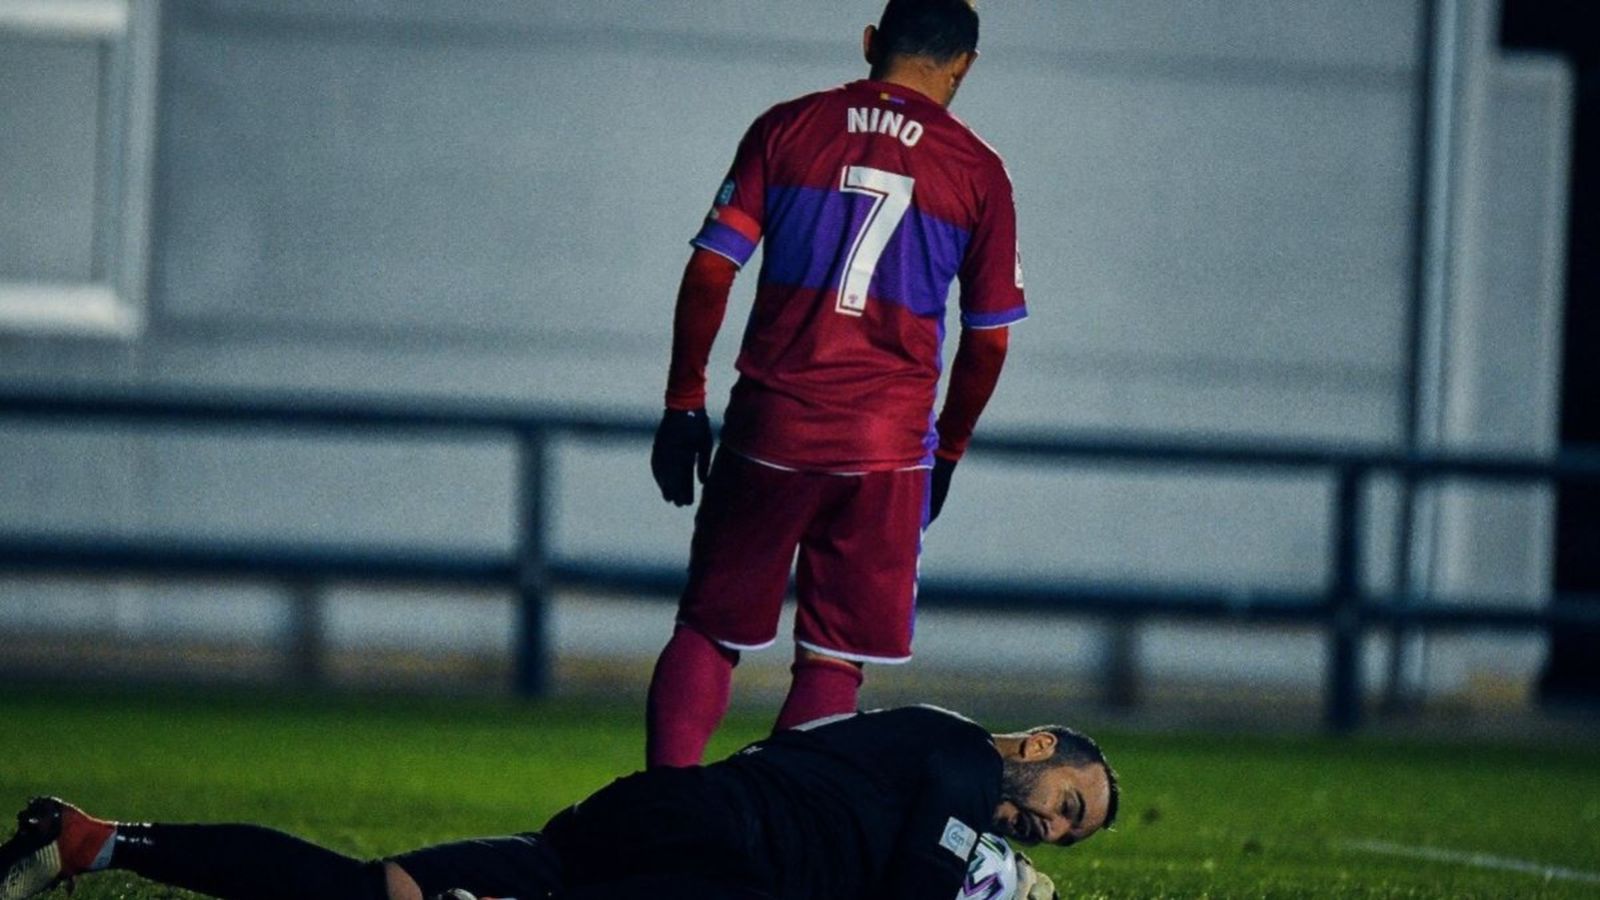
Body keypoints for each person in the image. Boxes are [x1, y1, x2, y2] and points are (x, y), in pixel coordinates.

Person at [648, 0, 1027, 767]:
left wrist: (684, 401)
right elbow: (988, 343)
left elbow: (710, 270)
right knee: (832, 659)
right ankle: (788, 848)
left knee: (711, 631)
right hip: (886, 450)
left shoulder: (787, 128)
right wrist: (947, 451)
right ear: (964, 65)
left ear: (869, 43)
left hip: (770, 429)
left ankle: (660, 818)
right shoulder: (979, 171)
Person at [0, 706, 1116, 900]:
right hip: (717, 854)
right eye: (1064, 800)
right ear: (1033, 746)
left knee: (374, 888)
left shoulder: (937, 776)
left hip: (662, 827)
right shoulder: (961, 759)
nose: (1048, 822)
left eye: (1066, 828)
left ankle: (98, 842)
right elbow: (925, 877)